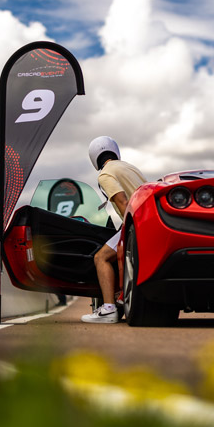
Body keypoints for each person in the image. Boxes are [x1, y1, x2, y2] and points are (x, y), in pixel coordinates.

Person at [81, 136, 147, 323]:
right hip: (148, 221)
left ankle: (109, 309)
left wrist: (130, 231)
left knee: (100, 257)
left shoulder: (105, 174)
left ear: (94, 158)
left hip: (136, 223)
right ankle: (120, 299)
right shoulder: (130, 167)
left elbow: (122, 202)